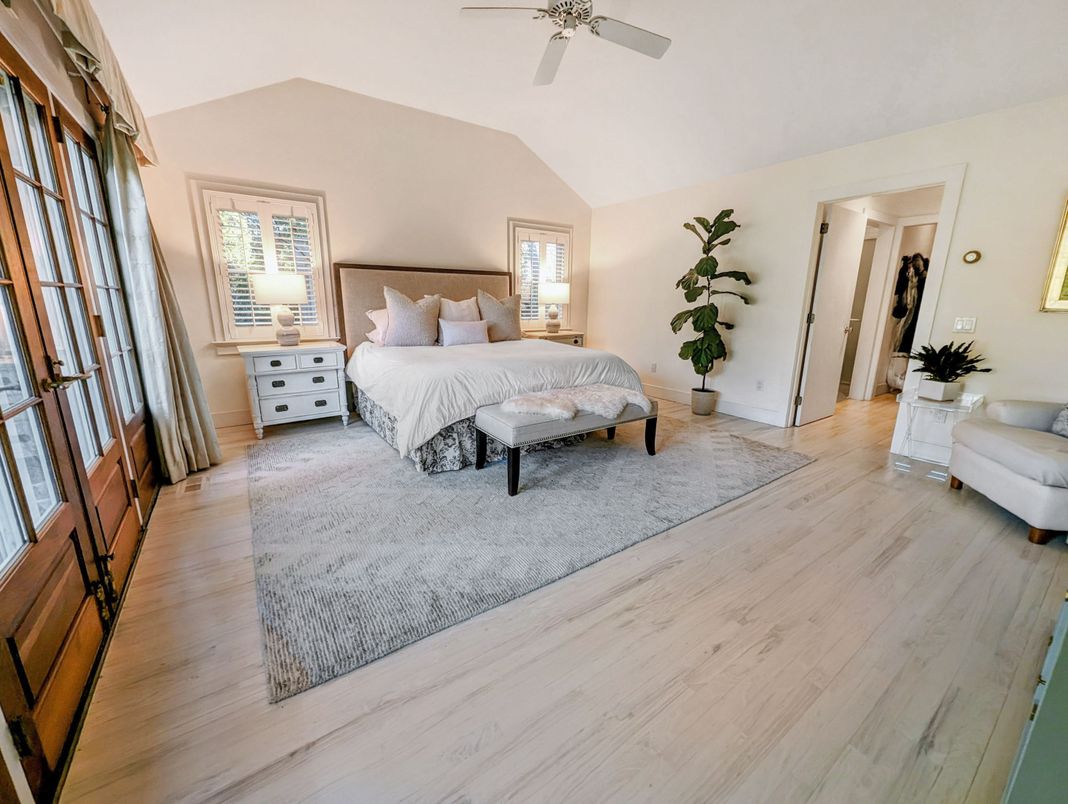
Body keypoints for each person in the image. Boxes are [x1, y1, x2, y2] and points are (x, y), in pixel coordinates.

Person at [891, 252, 928, 352]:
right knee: (903, 327)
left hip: (919, 306)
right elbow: (900, 289)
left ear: (922, 261)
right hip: (908, 306)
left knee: (912, 327)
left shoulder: (926, 277)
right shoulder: (911, 276)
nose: (916, 263)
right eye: (914, 261)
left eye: (918, 260)